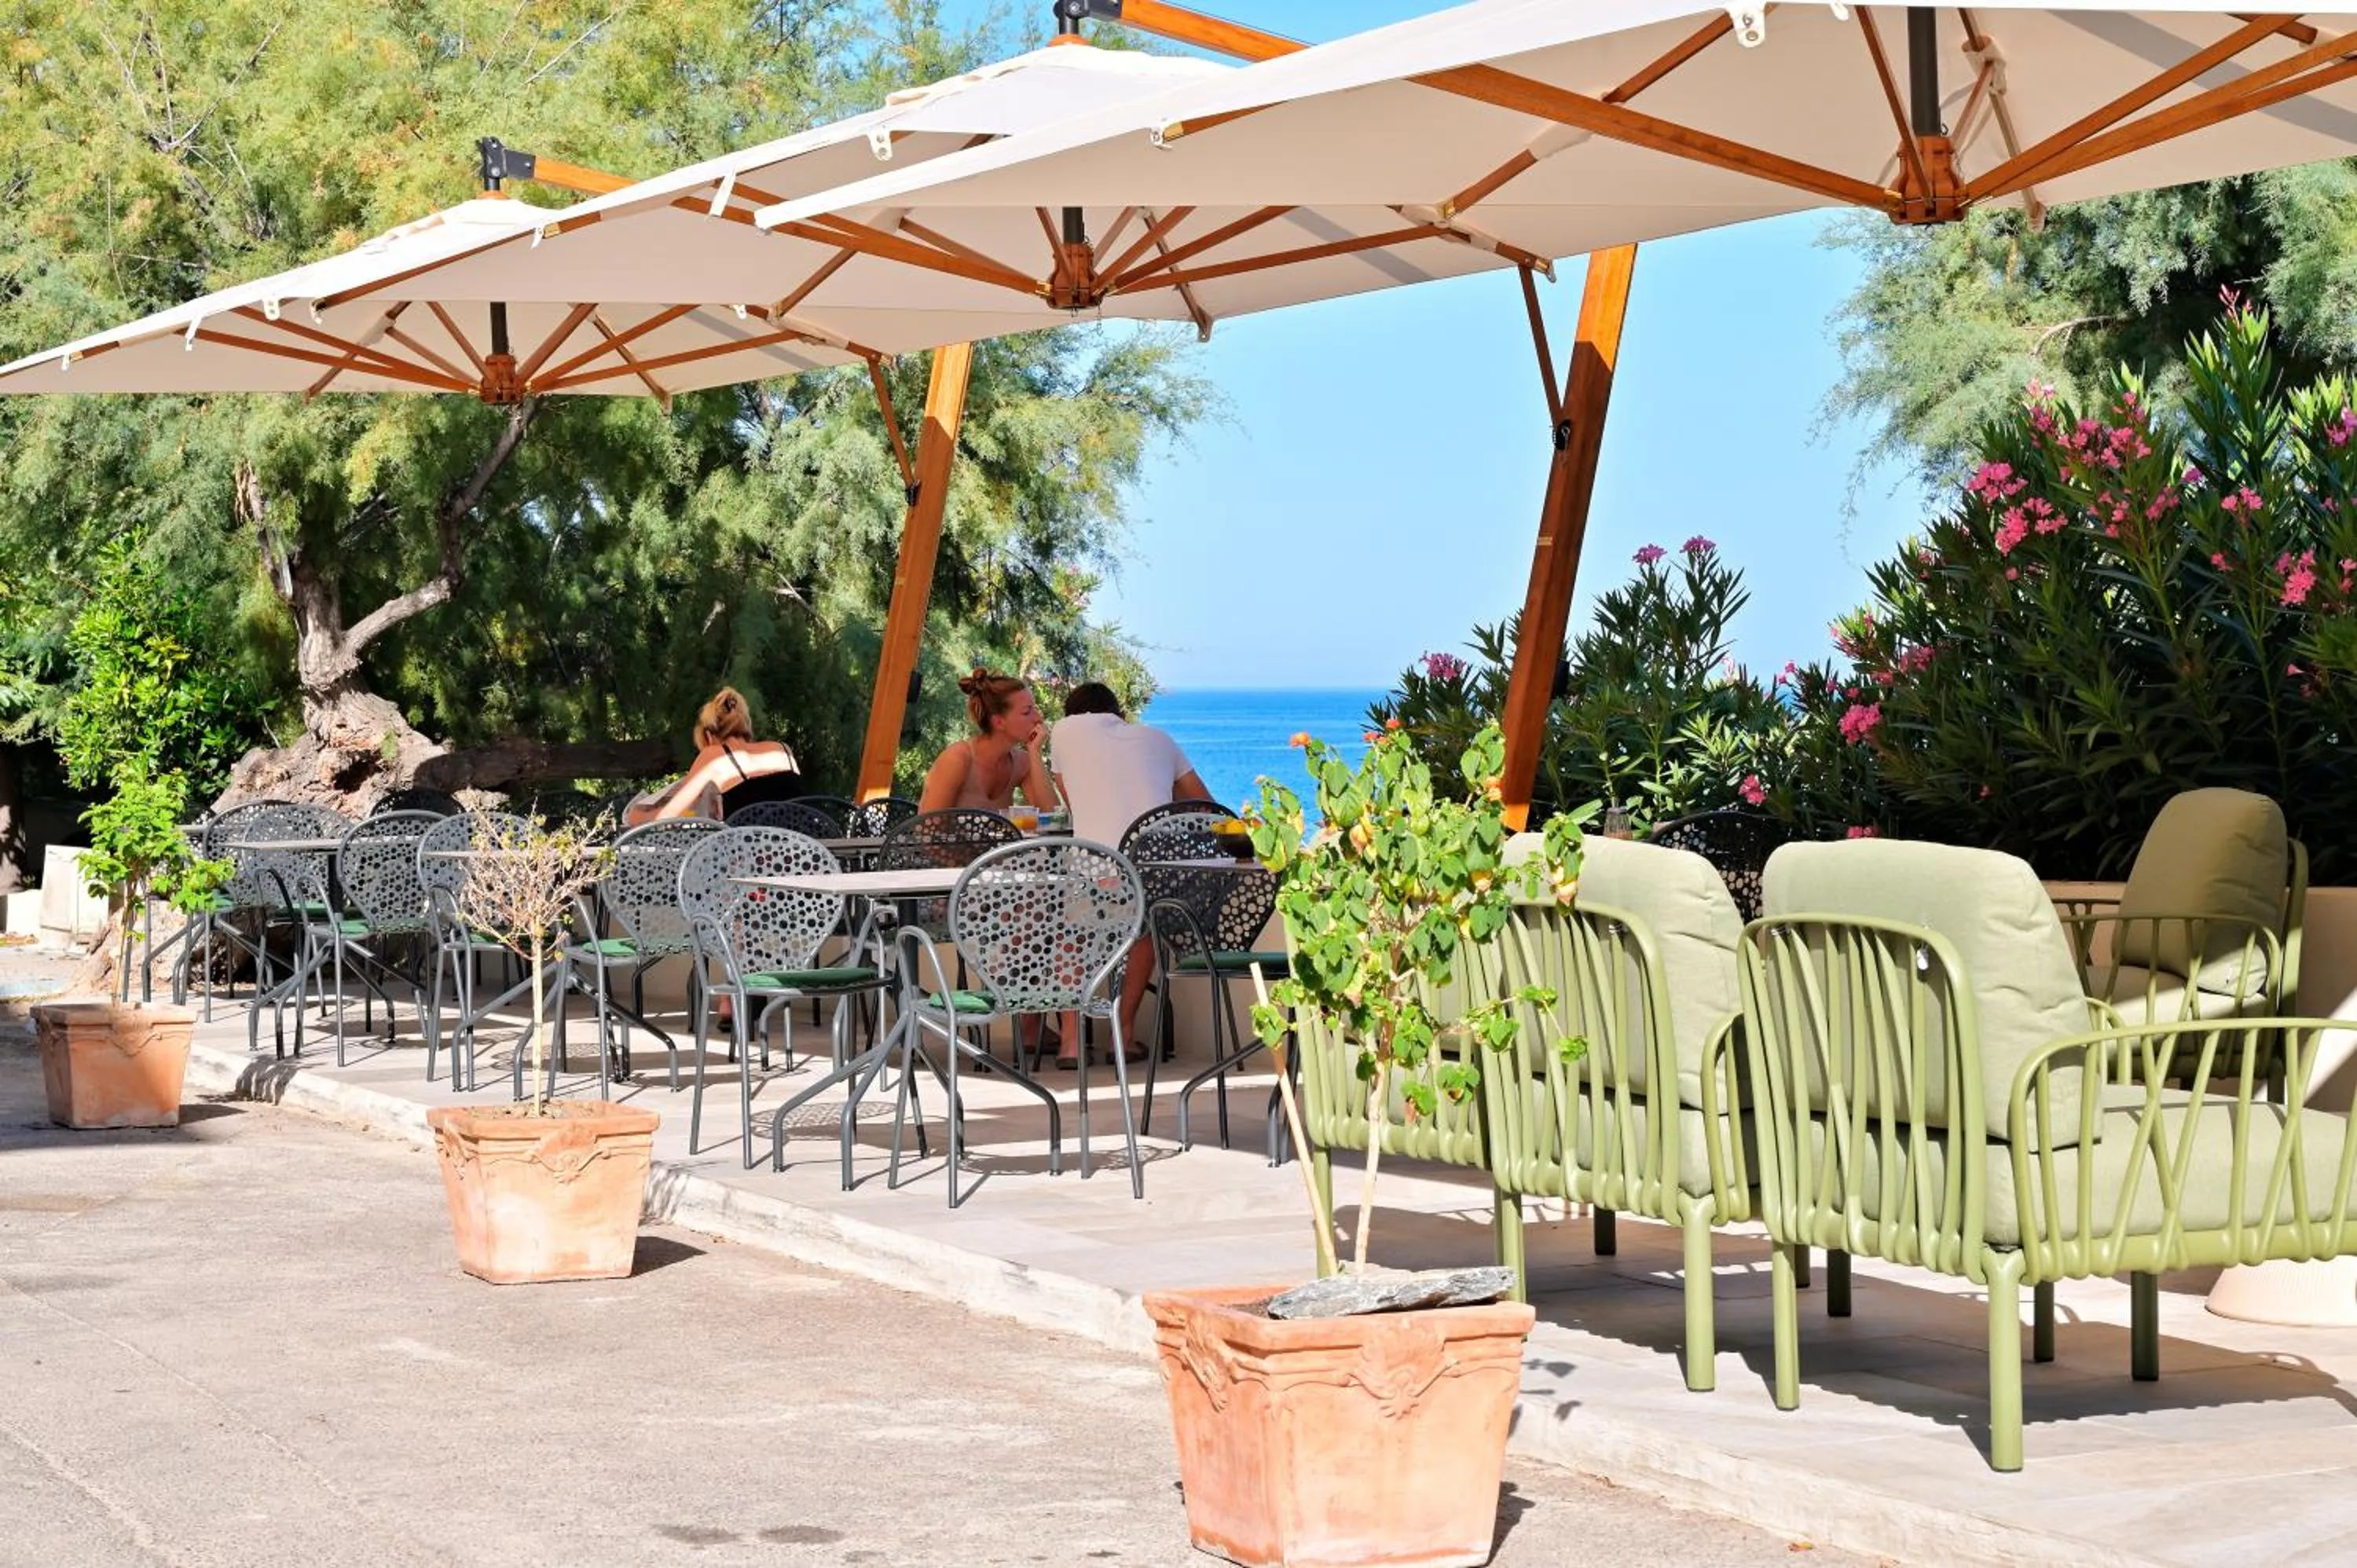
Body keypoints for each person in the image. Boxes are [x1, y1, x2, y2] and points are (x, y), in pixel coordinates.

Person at [1049, 681, 1213, 1061]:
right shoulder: (1159, 738)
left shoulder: (1063, 732)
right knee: (1143, 928)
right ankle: (1122, 1033)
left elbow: (1076, 805)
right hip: (1145, 869)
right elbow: (1205, 805)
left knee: (1071, 932)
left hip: (1090, 866)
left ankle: (1070, 1041)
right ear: (1118, 713)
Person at [628, 687, 803, 824]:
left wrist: (636, 815)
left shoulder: (715, 757)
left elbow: (668, 818)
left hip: (747, 860)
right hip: (802, 856)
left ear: (709, 735)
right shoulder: (782, 749)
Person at [918, 669, 1060, 816]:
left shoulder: (1023, 763)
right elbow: (927, 832)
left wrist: (1035, 753)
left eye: (1035, 709)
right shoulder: (957, 759)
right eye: (1027, 712)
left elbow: (1053, 819)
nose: (1038, 719)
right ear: (999, 722)